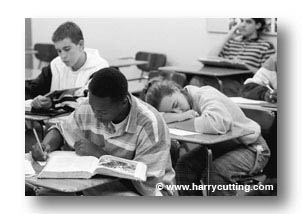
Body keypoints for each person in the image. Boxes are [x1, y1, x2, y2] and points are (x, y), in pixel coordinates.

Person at [31, 67, 175, 196]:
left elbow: (146, 184)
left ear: (123, 101)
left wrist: (101, 156)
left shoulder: (149, 124)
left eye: (102, 111)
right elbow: (61, 130)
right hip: (98, 185)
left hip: (148, 192)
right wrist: (45, 145)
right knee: (45, 195)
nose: (95, 114)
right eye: (93, 107)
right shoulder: (91, 107)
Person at [145, 80, 270, 196]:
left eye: (176, 104)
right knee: (184, 167)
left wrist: (177, 120)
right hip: (223, 148)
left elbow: (216, 123)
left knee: (217, 171)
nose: (178, 111)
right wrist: (181, 117)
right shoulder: (183, 110)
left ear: (176, 89)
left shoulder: (204, 94)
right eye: (171, 112)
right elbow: (159, 118)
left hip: (252, 148)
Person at [26, 21, 109, 109]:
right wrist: (37, 101)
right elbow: (33, 89)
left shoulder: (99, 68)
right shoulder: (56, 65)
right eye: (59, 51)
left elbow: (88, 102)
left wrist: (52, 103)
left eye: (67, 49)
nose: (63, 56)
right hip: (53, 121)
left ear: (81, 44)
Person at [190, 18, 276, 96]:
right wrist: (229, 34)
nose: (242, 25)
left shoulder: (265, 46)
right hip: (222, 78)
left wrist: (244, 65)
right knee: (197, 80)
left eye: (248, 22)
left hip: (242, 83)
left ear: (258, 25)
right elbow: (210, 57)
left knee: (224, 86)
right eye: (241, 21)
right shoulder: (231, 43)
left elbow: (266, 75)